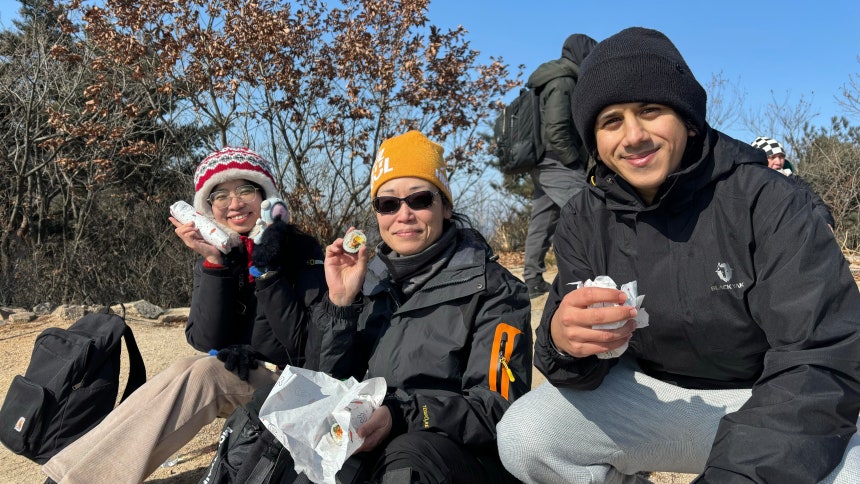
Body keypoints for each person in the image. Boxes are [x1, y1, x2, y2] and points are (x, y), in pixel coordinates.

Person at [496, 27, 860, 483]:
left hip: (771, 401)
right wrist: (562, 342)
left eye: (650, 111)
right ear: (594, 140)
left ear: (687, 118)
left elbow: (821, 357)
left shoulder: (769, 200)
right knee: (527, 434)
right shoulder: (583, 218)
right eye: (611, 121)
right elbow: (574, 372)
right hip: (655, 405)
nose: (633, 136)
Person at [42, 147, 327, 483]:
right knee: (186, 367)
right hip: (249, 376)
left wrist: (266, 272)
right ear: (207, 209)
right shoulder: (223, 253)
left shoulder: (300, 250)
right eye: (220, 195)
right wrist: (215, 265)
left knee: (208, 373)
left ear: (266, 196)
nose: (234, 203)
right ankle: (66, 474)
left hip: (296, 386)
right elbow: (205, 340)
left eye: (246, 190)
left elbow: (306, 346)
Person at [308, 130, 533, 483]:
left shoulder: (495, 291)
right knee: (261, 420)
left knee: (407, 455)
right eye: (389, 203)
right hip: (370, 442)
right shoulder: (368, 282)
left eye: (420, 199)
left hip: (452, 456)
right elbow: (325, 387)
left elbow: (500, 411)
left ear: (445, 206)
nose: (404, 215)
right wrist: (340, 305)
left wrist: (403, 415)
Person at [522, 33, 597, 298]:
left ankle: (531, 279)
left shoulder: (552, 76)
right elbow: (556, 129)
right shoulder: (564, 81)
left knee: (543, 218)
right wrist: (573, 160)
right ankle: (596, 275)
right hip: (556, 160)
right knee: (589, 211)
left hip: (543, 160)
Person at [751, 135, 836, 228]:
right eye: (772, 157)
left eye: (781, 156)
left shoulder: (794, 180)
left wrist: (825, 222)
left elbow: (815, 202)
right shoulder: (748, 185)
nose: (778, 162)